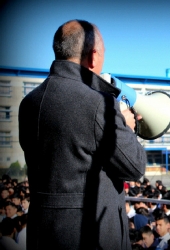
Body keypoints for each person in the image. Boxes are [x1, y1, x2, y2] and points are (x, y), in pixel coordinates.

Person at [18, 20, 147, 249]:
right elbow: (134, 167)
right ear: (93, 56)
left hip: (41, 234)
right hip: (89, 236)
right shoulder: (99, 104)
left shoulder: (28, 103)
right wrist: (126, 127)